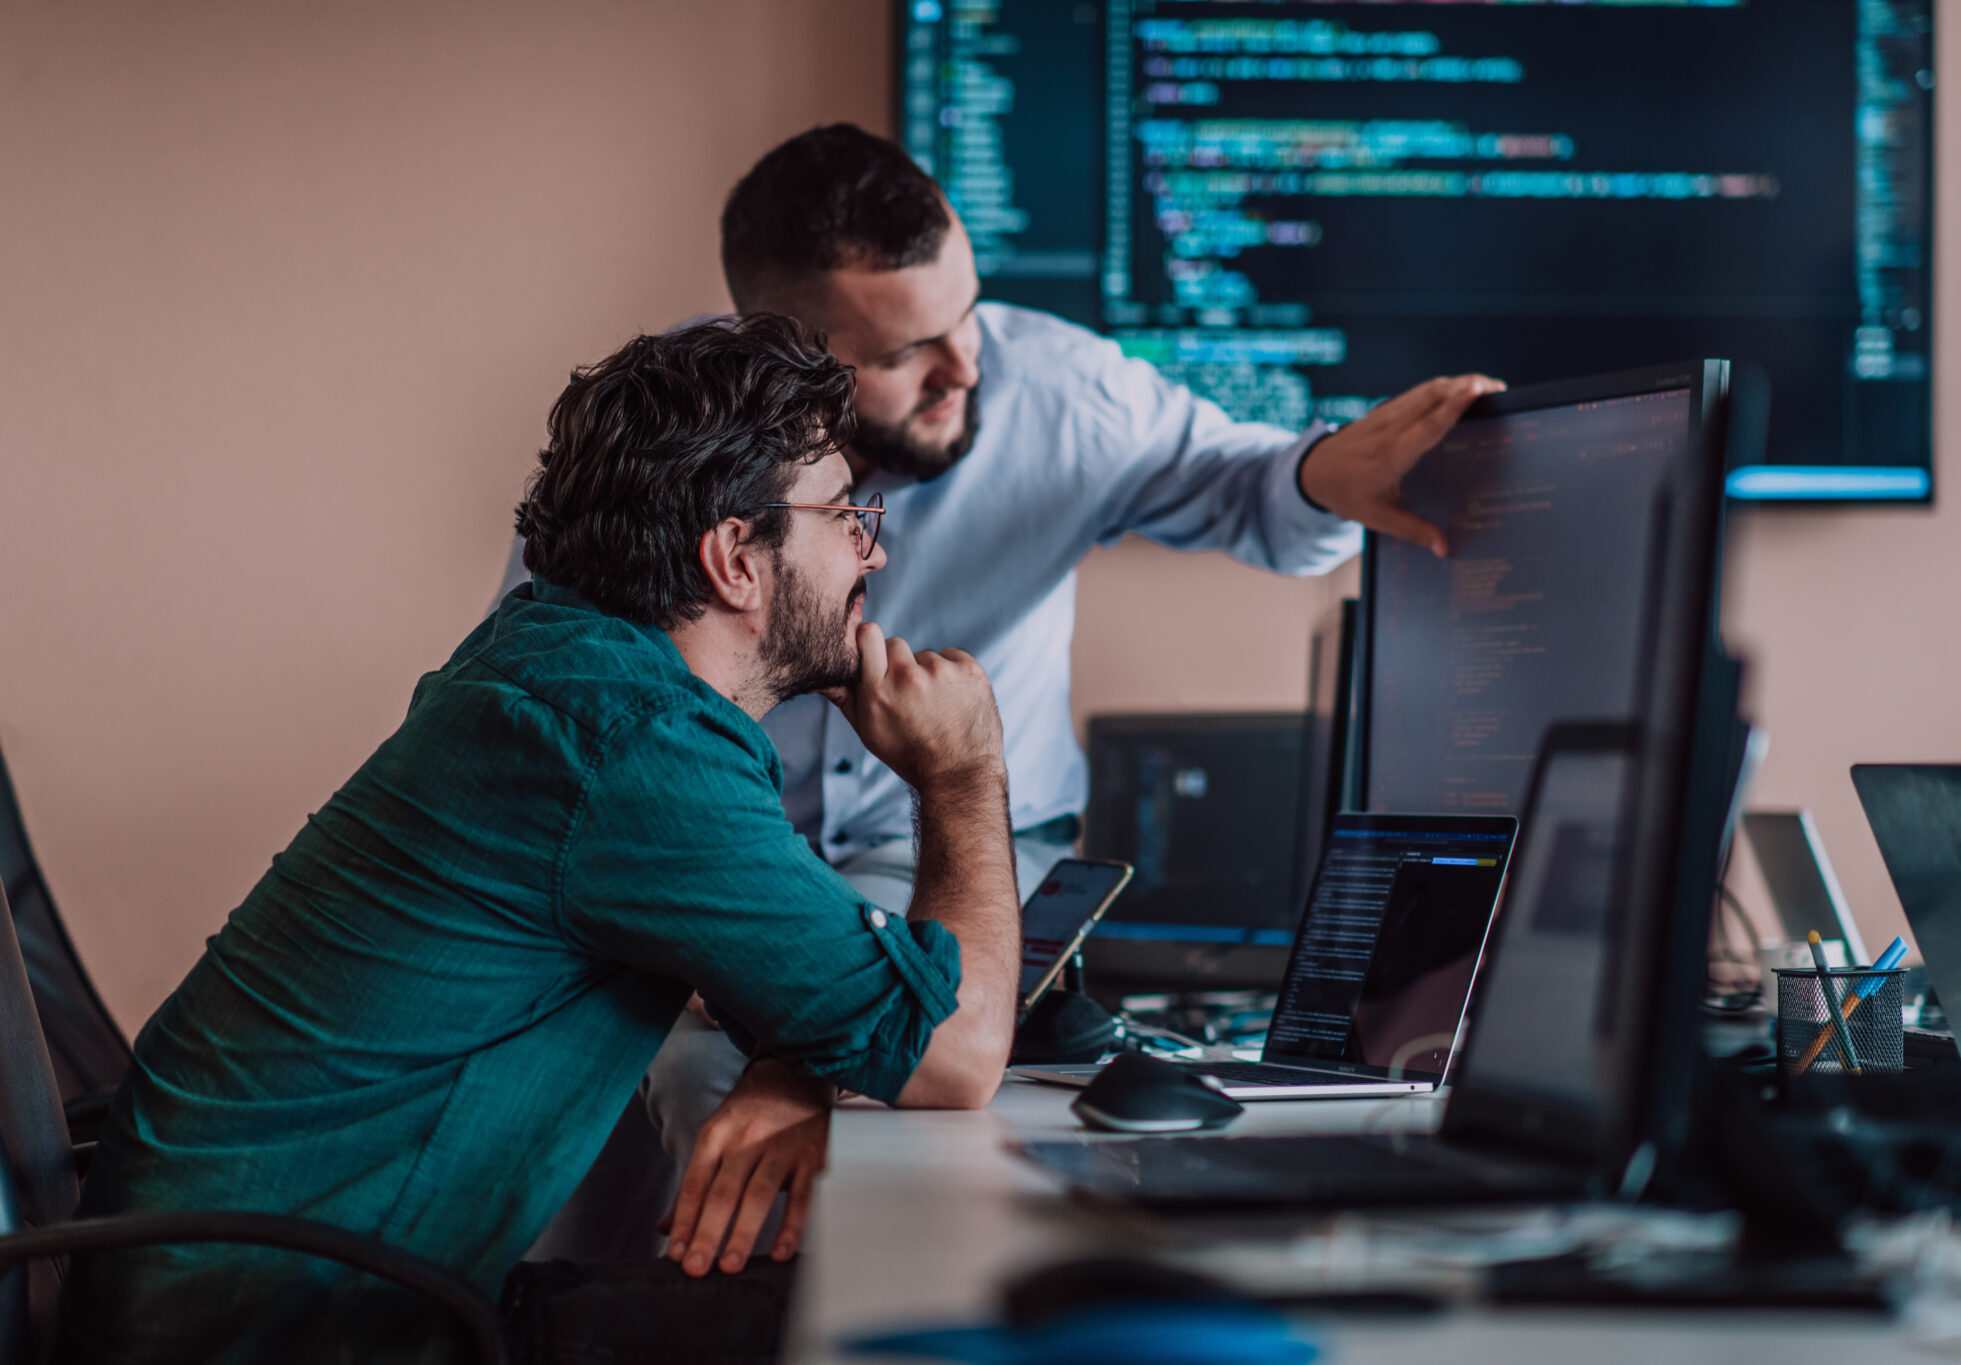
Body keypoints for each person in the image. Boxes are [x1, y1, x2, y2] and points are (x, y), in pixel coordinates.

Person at [505, 123, 1504, 1263]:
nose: (967, 367)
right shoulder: (665, 435)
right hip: (719, 846)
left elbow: (1248, 488)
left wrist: (1327, 471)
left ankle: (761, 1320)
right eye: (904, 352)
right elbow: (563, 690)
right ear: (779, 352)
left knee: (710, 1072)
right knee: (582, 1103)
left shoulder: (1062, 395)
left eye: (966, 313)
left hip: (948, 838)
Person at [59, 315, 1021, 1364]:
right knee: (921, 1306)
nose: (873, 546)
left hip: (242, 1294)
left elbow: (763, 966)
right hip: (301, 1333)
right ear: (734, 557)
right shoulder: (633, 747)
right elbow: (955, 1056)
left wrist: (798, 1060)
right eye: (844, 513)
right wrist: (961, 773)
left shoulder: (556, 657)